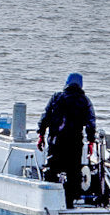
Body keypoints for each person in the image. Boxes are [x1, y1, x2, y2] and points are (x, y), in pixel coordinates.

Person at [37, 72, 96, 207]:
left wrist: (41, 135)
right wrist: (91, 141)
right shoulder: (85, 101)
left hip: (56, 141)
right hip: (74, 143)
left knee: (51, 170)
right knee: (74, 172)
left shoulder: (57, 97)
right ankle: (69, 202)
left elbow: (45, 116)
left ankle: (49, 201)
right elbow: (91, 123)